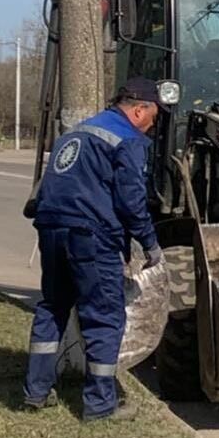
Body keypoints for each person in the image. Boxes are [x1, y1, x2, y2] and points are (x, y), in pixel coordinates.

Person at [23, 76, 167, 420]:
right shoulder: (128, 139)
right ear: (138, 109)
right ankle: (100, 405)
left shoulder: (76, 132)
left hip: (52, 228)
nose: (152, 126)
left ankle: (36, 390)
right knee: (104, 314)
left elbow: (50, 184)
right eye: (153, 116)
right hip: (92, 234)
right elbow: (131, 199)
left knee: (53, 307)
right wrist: (149, 243)